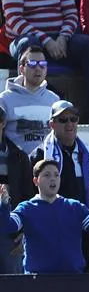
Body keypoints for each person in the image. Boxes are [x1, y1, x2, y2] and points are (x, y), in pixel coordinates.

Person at [2, 0, 89, 122]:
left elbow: (71, 14)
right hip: (26, 37)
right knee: (27, 45)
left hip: (60, 39)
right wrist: (46, 40)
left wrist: (63, 37)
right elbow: (15, 20)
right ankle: (25, 109)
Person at [0, 159, 89, 274]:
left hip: (72, 281)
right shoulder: (26, 208)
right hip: (37, 283)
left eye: (56, 175)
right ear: (35, 180)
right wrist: (4, 205)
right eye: (47, 175)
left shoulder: (74, 207)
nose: (52, 179)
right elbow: (7, 226)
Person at [30, 100, 89, 272]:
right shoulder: (40, 155)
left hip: (83, 234)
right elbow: (28, 193)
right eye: (63, 120)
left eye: (73, 119)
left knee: (84, 291)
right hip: (49, 233)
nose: (69, 124)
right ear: (51, 124)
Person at [0, 46, 60, 155]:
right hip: (15, 165)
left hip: (47, 165)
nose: (38, 68)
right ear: (21, 69)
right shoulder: (4, 100)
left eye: (42, 64)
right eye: (32, 64)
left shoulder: (54, 100)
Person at [0, 105, 34, 274]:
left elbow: (28, 196)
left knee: (12, 290)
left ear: (3, 123)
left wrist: (23, 231)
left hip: (10, 235)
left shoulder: (19, 156)